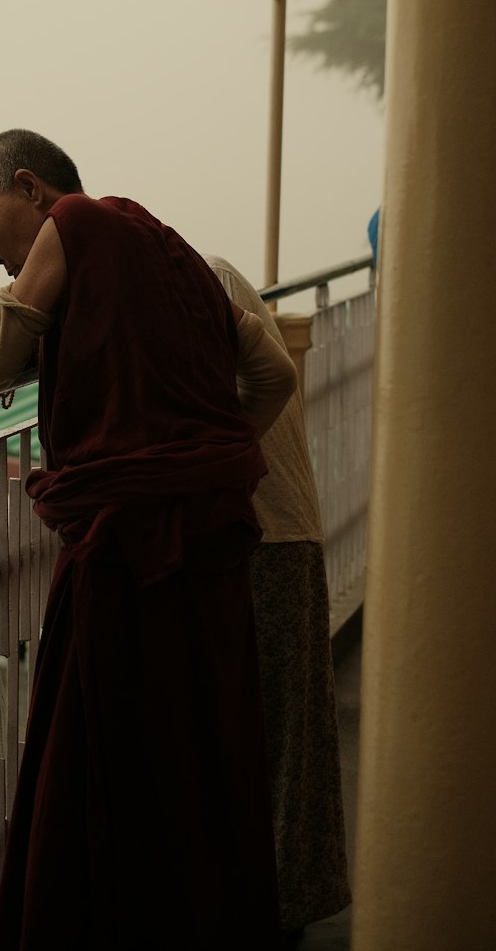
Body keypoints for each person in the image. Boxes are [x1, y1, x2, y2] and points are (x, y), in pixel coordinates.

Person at [0, 129, 298, 951]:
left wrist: (153, 472)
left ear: (32, 190)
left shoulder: (77, 223)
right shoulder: (174, 253)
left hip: (127, 550)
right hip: (207, 535)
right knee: (200, 751)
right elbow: (276, 377)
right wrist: (204, 459)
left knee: (104, 761)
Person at [205, 256, 352, 943]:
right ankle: (274, 907)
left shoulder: (192, 280)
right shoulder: (201, 273)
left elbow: (253, 386)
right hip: (267, 530)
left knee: (273, 740)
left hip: (265, 534)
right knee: (277, 734)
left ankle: (272, 912)